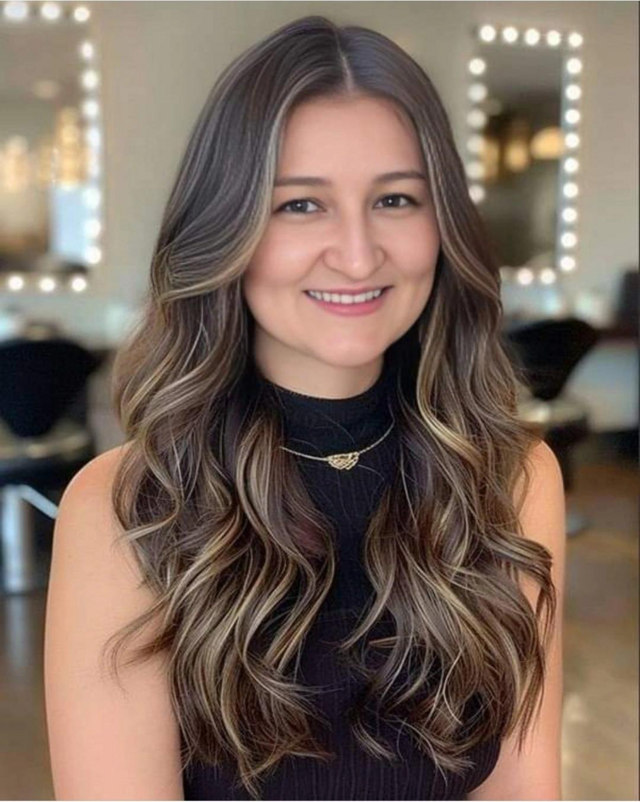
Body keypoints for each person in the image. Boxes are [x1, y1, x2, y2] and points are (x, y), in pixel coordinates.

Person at [44, 15, 566, 801]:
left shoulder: (513, 479)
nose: (357, 254)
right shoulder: (129, 511)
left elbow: (524, 790)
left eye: (396, 199)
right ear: (227, 229)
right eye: (300, 206)